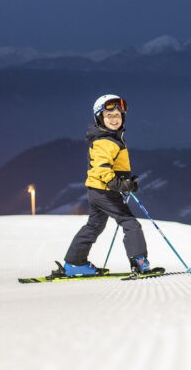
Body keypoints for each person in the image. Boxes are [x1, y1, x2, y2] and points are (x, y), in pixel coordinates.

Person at [57, 94, 159, 277]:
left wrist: (126, 182)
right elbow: (101, 169)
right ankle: (139, 262)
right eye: (109, 115)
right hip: (105, 192)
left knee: (94, 226)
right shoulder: (105, 141)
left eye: (118, 115)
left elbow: (111, 168)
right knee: (130, 223)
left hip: (97, 191)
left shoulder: (110, 138)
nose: (114, 119)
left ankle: (74, 263)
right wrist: (120, 184)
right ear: (99, 118)